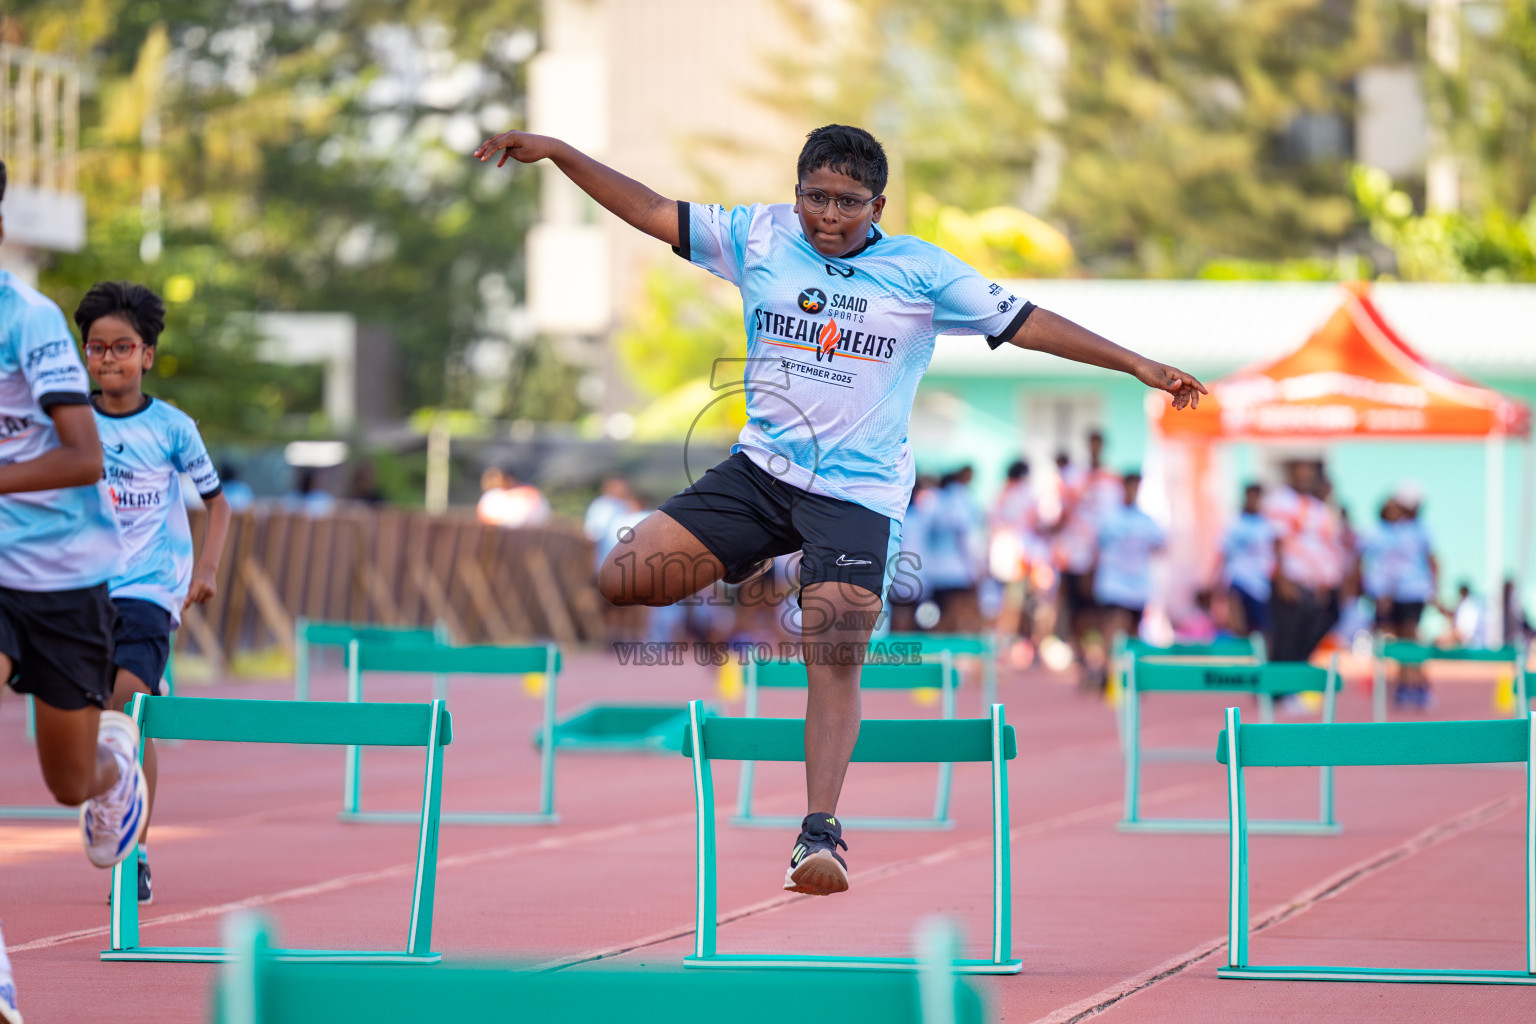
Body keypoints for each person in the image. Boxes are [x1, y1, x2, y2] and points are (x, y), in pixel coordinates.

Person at [477, 122, 1205, 896]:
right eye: (814, 198)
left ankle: (819, 834)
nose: (828, 216)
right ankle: (759, 551)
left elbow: (1028, 324)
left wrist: (1137, 365)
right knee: (624, 577)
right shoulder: (757, 234)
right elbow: (652, 208)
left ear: (878, 203)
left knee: (835, 644)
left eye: (848, 203)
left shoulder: (921, 271)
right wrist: (557, 152)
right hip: (761, 475)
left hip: (857, 495)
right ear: (795, 194)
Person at [0, 160, 147, 1024]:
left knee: (65, 781)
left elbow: (83, 457)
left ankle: (114, 769)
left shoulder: (30, 319)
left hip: (62, 579)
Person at [77, 281, 233, 904]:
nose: (109, 358)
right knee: (104, 724)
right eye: (96, 348)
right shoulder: (71, 421)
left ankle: (131, 844)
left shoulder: (172, 428)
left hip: (150, 590)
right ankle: (119, 802)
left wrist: (209, 569)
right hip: (84, 589)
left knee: (125, 714)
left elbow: (218, 505)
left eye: (122, 347)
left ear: (146, 354)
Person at [1091, 472, 1166, 686]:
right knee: (1114, 628)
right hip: (1113, 583)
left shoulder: (1147, 520)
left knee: (1133, 632)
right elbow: (1096, 548)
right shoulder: (1110, 518)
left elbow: (1161, 546)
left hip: (1138, 585)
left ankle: (1131, 676)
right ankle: (1108, 673)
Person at [1218, 483, 1275, 637]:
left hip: (1259, 585)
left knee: (1260, 630)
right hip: (1238, 579)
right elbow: (1223, 553)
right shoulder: (1234, 523)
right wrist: (1217, 581)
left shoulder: (1266, 525)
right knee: (1238, 626)